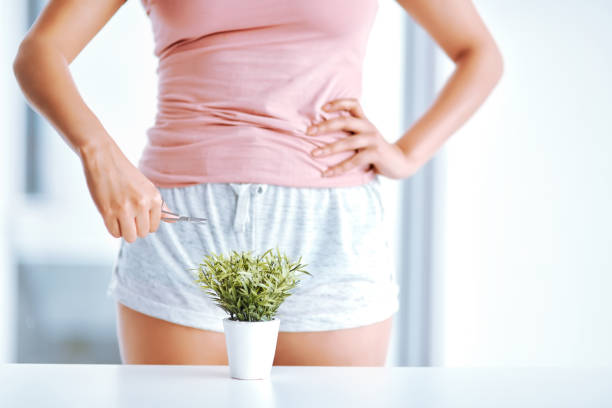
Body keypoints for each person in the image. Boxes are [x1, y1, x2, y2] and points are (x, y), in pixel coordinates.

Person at [12, 0, 503, 366]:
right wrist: (100, 154)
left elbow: (479, 53)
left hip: (328, 225)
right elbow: (40, 51)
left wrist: (406, 155)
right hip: (183, 223)